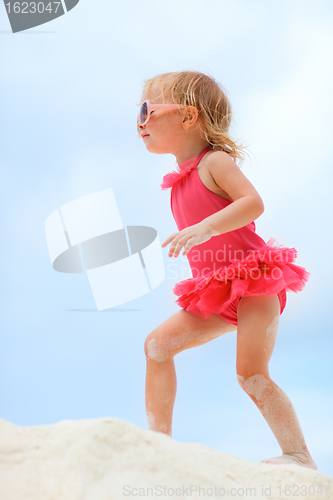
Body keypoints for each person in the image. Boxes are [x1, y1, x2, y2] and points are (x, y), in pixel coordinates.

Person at [137, 71, 317, 470]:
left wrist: (205, 227)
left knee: (251, 375)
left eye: (148, 110)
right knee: (157, 346)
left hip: (254, 283)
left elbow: (253, 203)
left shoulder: (213, 162)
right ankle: (158, 444)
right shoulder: (178, 182)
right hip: (216, 290)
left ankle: (299, 456)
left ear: (187, 117)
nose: (140, 121)